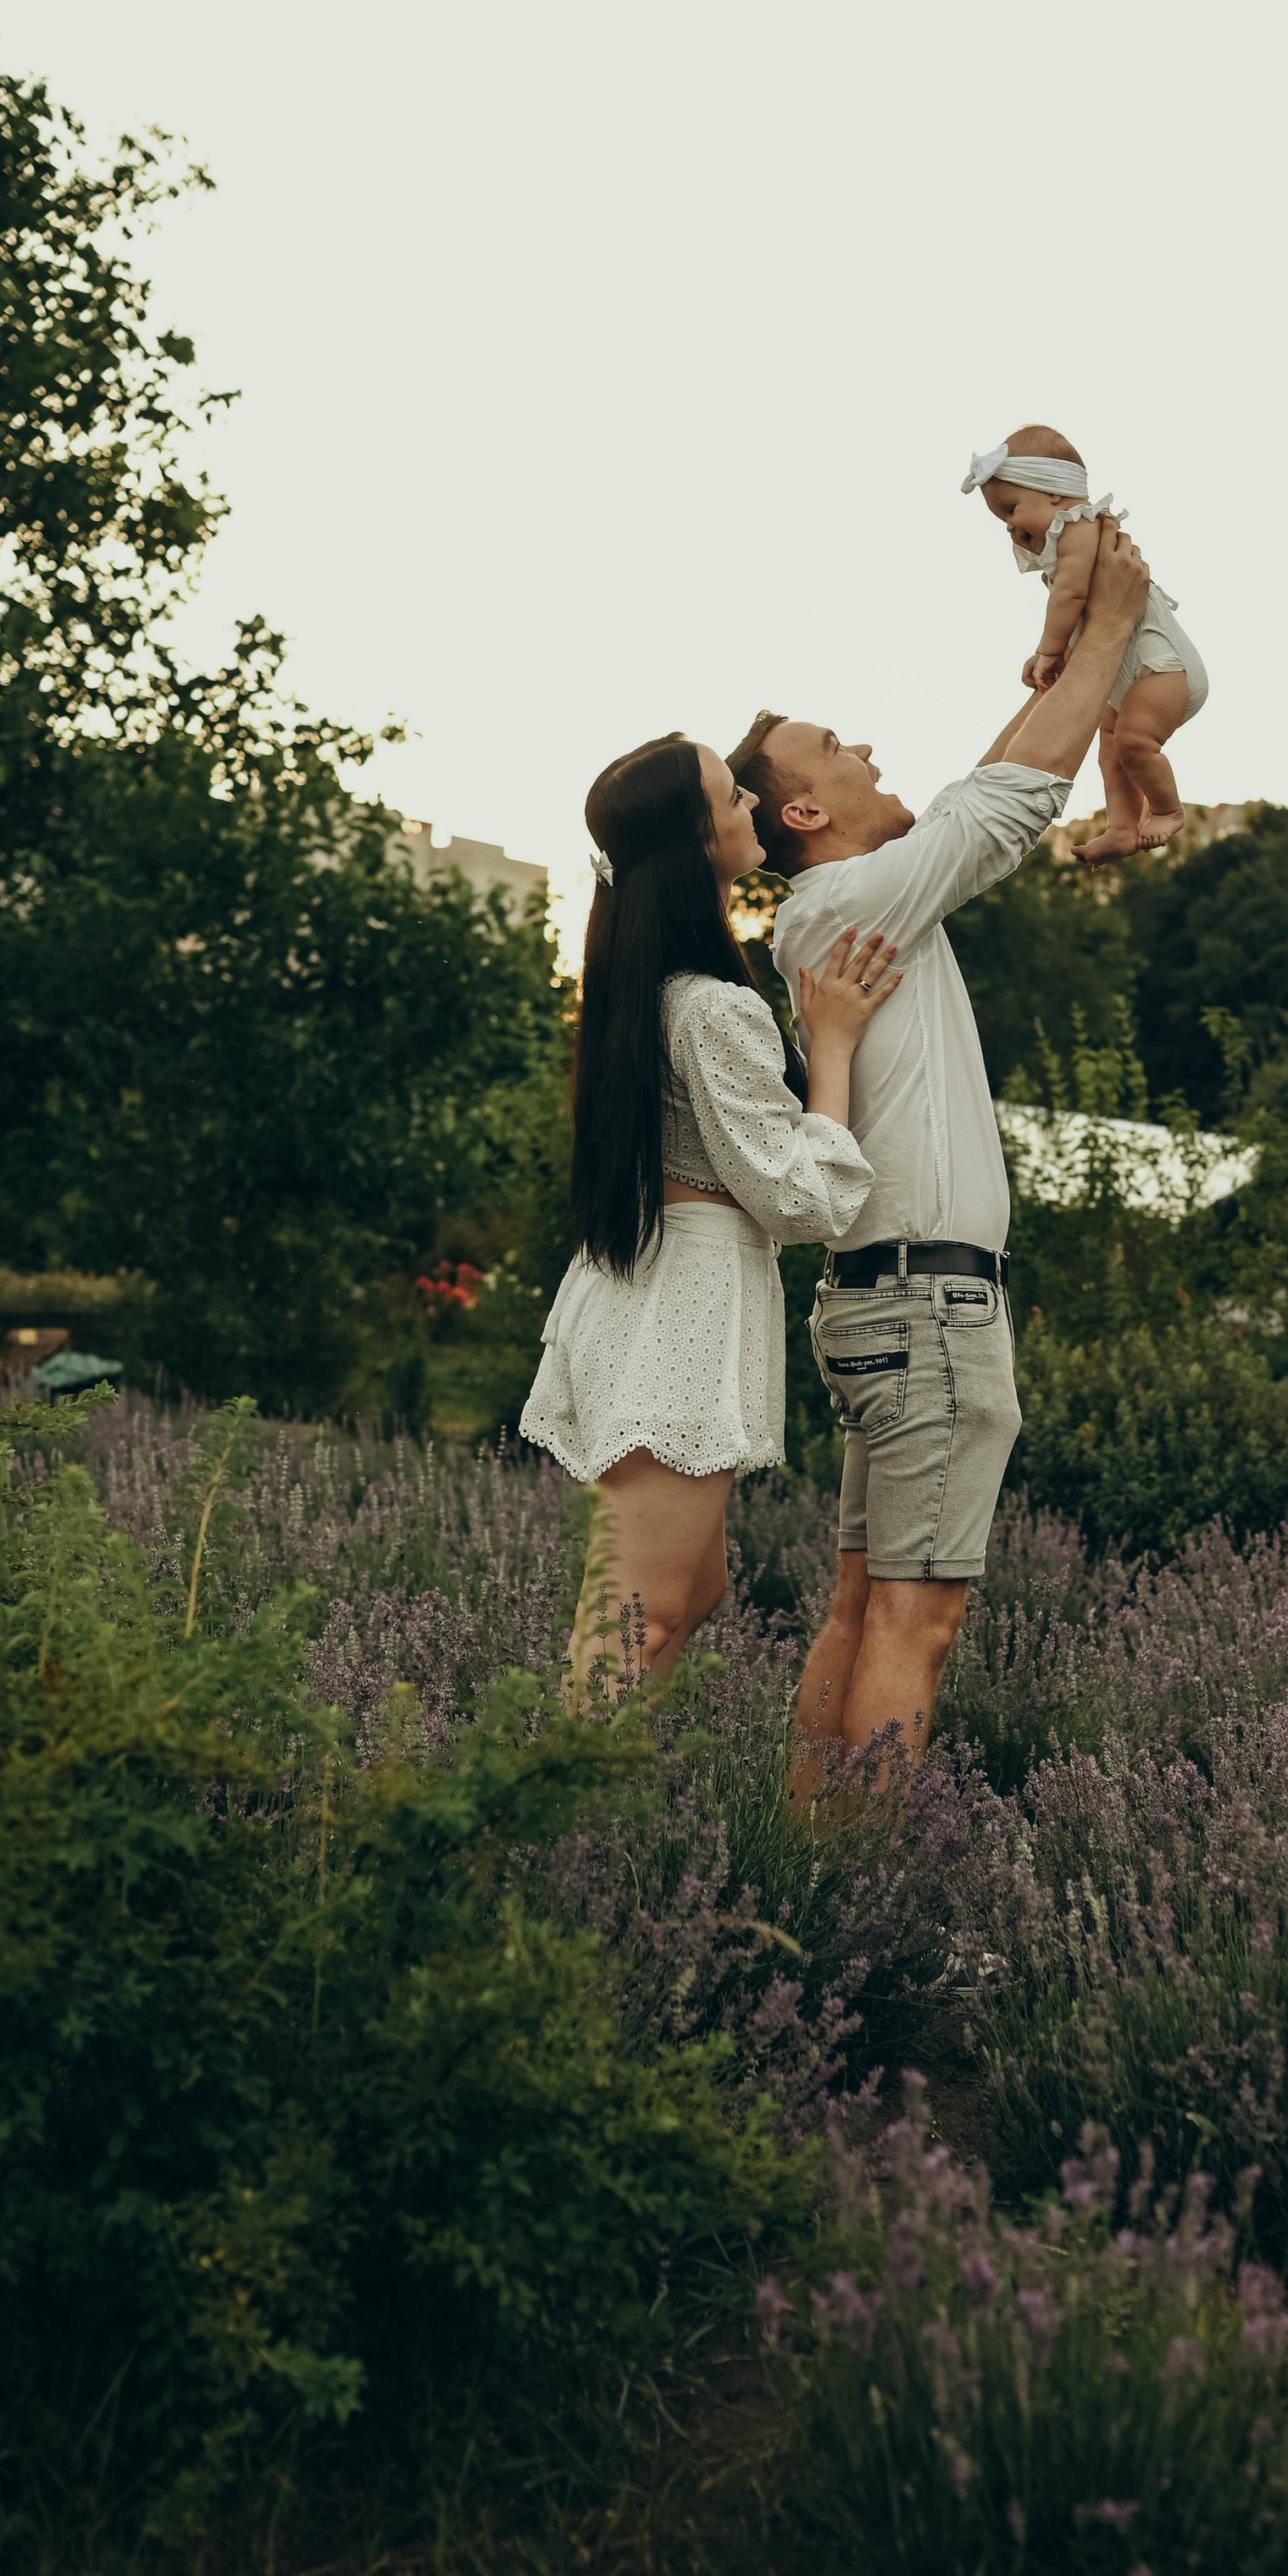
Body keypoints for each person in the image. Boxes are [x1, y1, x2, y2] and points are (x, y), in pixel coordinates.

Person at [730, 513, 1151, 1794]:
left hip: (887, 1304)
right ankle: (862, 1884)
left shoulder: (853, 903)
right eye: (834, 746)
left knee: (862, 1607)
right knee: (918, 1624)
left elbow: (976, 797)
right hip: (928, 1312)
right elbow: (1005, 807)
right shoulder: (853, 902)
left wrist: (1063, 664)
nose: (864, 745)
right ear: (806, 808)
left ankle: (804, 1864)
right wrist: (1112, 627)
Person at [519, 730, 900, 1696]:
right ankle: (556, 1792)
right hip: (680, 1304)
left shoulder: (647, 986)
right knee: (638, 1618)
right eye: (733, 794)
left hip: (663, 1290)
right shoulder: (710, 1007)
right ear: (698, 838)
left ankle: (603, 1783)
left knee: (688, 1595)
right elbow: (800, 1199)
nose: (751, 803)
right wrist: (832, 1047)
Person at [964, 423, 1208, 862]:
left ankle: (1168, 811)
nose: (1009, 526)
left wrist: (1049, 650)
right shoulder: (1071, 539)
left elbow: (1071, 595)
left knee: (1133, 744)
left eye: (1011, 509)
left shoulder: (1079, 526)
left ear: (1053, 492)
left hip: (1161, 668)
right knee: (1110, 752)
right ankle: (1121, 827)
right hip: (1129, 677)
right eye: (1002, 519)